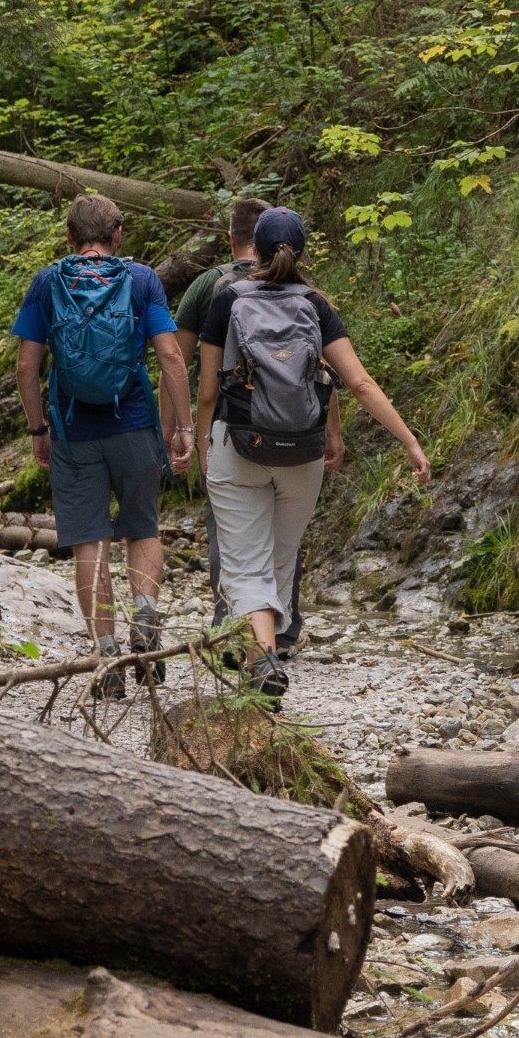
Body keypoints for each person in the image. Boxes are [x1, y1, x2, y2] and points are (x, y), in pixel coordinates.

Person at [197, 206, 431, 697]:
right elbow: (358, 382)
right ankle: (271, 650)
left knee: (243, 564)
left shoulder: (227, 298)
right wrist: (409, 441)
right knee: (282, 557)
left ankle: (260, 657)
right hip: (301, 452)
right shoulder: (316, 304)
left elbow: (206, 390)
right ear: (302, 252)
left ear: (252, 249)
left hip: (238, 444)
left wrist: (203, 443)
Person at [14, 193, 193, 699]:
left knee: (90, 541)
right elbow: (170, 358)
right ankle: (146, 619)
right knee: (142, 526)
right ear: (118, 236)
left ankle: (107, 656)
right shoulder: (141, 280)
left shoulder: (48, 283)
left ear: (69, 238)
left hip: (73, 432)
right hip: (134, 424)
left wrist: (37, 430)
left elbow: (27, 368)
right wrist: (182, 426)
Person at [176, 197, 342, 652]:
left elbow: (180, 362)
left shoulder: (212, 288)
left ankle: (235, 632)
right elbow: (326, 376)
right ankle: (282, 634)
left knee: (235, 544)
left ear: (235, 238)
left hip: (238, 430)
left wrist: (189, 432)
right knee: (282, 546)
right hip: (300, 437)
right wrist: (332, 431)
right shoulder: (312, 300)